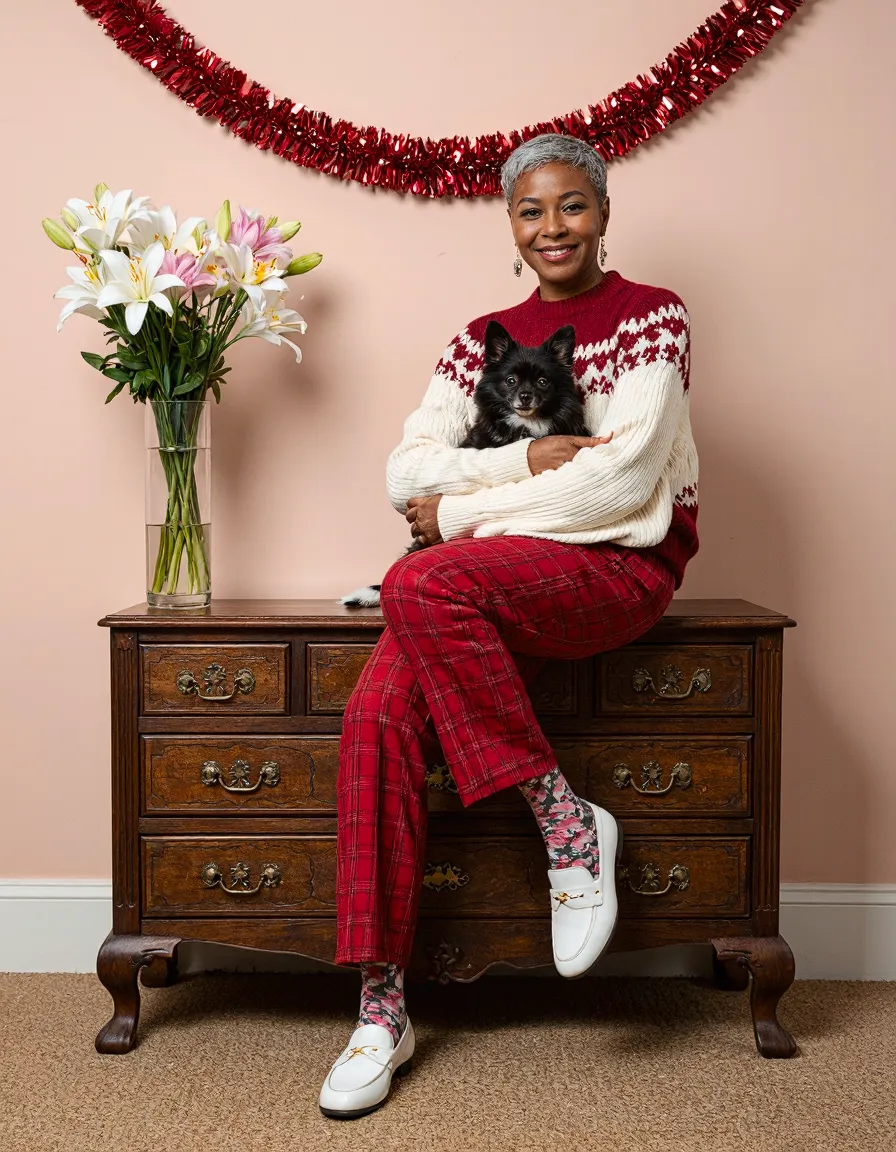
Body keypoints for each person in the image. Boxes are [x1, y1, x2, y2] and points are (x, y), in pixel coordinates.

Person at [319, 133, 700, 1119]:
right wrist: (522, 469)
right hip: (477, 582)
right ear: (510, 226)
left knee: (421, 581)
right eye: (531, 211)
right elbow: (404, 472)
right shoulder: (478, 336)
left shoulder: (649, 317)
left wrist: (455, 516)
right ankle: (380, 1004)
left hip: (617, 570)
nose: (551, 227)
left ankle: (566, 828)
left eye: (571, 205)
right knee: (372, 721)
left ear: (604, 213)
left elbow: (623, 484)